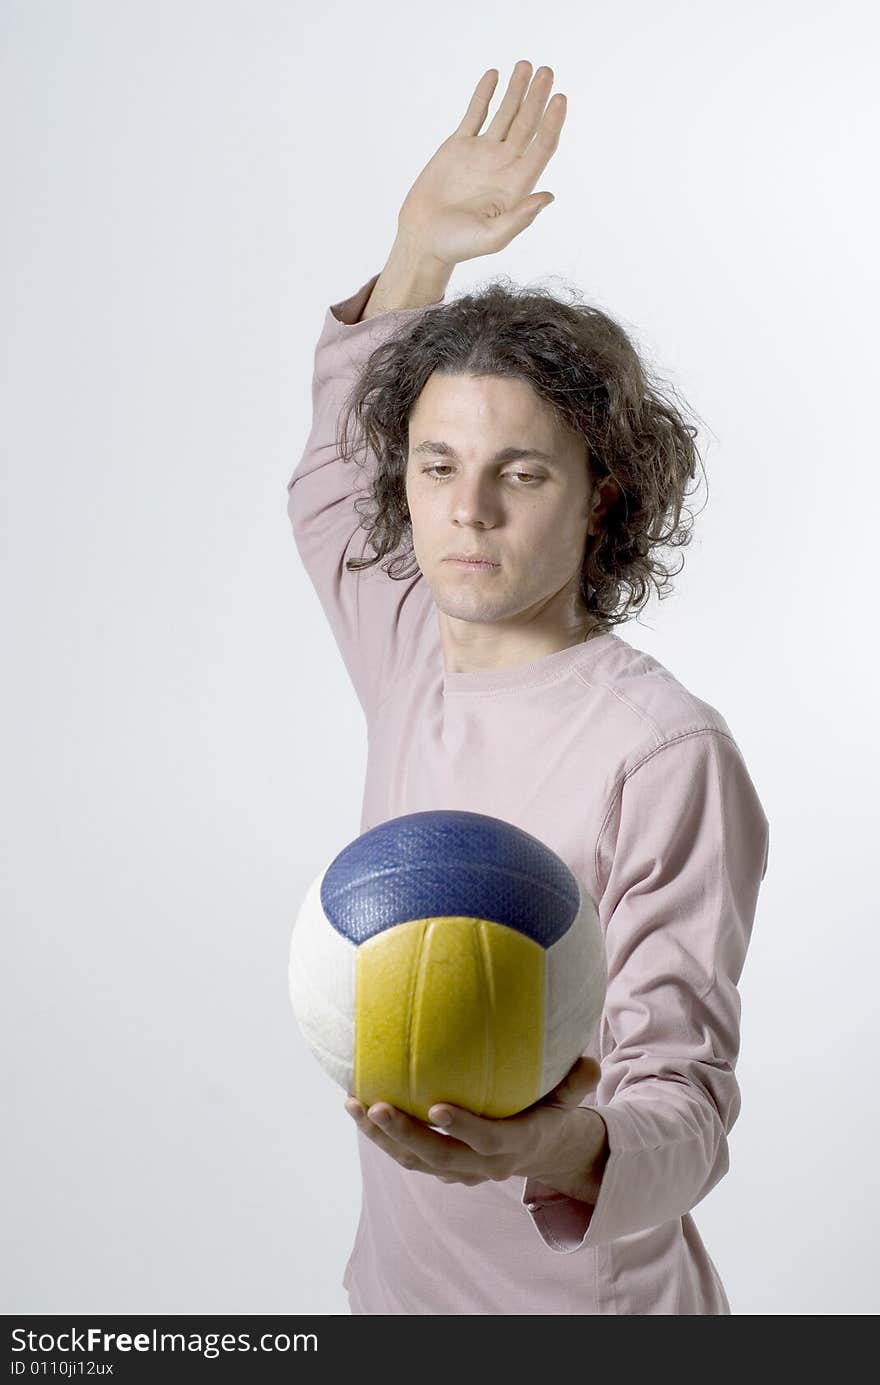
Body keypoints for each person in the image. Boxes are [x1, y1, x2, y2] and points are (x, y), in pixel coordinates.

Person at [286, 59, 770, 1315]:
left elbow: (686, 1103)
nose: (466, 509)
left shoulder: (661, 749)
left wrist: (546, 1145)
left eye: (521, 473)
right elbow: (332, 493)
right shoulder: (410, 643)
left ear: (602, 492)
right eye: (437, 463)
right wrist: (417, 250)